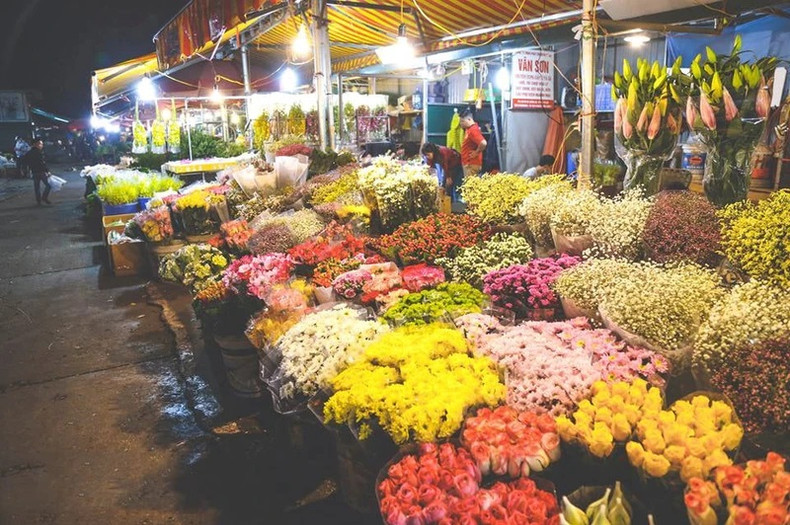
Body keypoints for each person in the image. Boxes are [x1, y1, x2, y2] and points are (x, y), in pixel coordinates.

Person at [459, 109, 487, 178]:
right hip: (469, 163)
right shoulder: (469, 129)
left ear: (469, 119)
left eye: (462, 121)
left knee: (470, 184)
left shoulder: (473, 130)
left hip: (471, 164)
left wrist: (476, 152)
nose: (461, 123)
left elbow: (483, 143)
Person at [24, 139, 52, 205]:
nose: (41, 145)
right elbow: (42, 163)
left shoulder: (29, 153)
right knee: (48, 185)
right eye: (40, 144)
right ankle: (44, 197)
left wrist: (28, 169)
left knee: (37, 187)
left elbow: (25, 162)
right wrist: (47, 171)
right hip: (41, 171)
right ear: (35, 144)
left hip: (34, 171)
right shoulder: (39, 152)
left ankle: (38, 201)